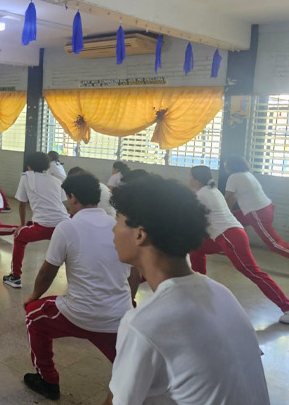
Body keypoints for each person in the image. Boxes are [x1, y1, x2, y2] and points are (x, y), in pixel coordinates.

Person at [105, 174, 270, 405]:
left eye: (118, 220)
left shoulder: (144, 322)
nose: (113, 229)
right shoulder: (222, 293)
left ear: (140, 234)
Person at [21, 173, 135, 400]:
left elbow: (46, 273)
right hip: (117, 317)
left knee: (34, 316)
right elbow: (135, 273)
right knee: (128, 362)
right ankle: (130, 384)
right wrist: (129, 302)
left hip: (77, 313)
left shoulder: (67, 227)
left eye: (67, 198)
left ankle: (48, 380)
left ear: (73, 197)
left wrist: (33, 295)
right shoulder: (118, 226)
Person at [188, 165, 289, 323]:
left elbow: (193, 219)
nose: (189, 180)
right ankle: (200, 294)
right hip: (228, 234)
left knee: (253, 272)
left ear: (195, 179)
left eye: (191, 177)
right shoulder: (211, 190)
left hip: (230, 237)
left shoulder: (202, 194)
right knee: (196, 248)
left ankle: (287, 307)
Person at [3, 152, 70, 289]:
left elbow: (22, 203)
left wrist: (21, 226)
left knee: (19, 237)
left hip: (43, 226)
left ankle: (15, 277)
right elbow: (61, 202)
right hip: (64, 224)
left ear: (28, 165)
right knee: (70, 252)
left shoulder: (26, 177)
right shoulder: (55, 180)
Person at [224, 155, 289, 260]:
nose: (225, 166)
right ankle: (225, 247)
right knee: (231, 221)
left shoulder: (234, 177)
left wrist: (224, 212)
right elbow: (233, 197)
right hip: (264, 209)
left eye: (226, 164)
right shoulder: (247, 174)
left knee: (275, 244)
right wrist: (227, 214)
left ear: (231, 166)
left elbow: (228, 198)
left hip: (257, 213)